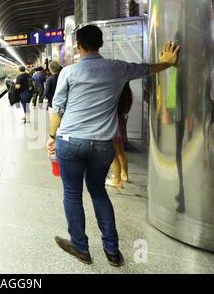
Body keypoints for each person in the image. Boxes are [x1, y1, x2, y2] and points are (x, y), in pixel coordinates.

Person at [46, 25, 180, 267]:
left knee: (72, 194)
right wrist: (169, 63)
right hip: (102, 145)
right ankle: (112, 251)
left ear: (78, 46)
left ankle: (80, 247)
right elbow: (148, 69)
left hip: (70, 141)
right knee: (98, 192)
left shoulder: (68, 72)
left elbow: (58, 109)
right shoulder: (119, 68)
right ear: (101, 44)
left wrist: (51, 136)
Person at [106, 83, 133, 189]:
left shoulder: (116, 92)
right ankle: (124, 174)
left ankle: (117, 179)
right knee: (120, 151)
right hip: (120, 122)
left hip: (113, 124)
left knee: (112, 153)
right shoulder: (127, 93)